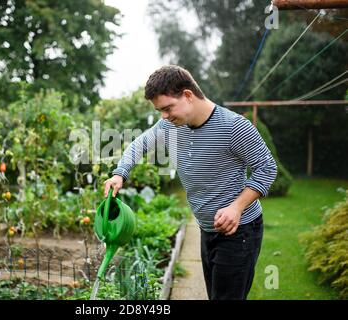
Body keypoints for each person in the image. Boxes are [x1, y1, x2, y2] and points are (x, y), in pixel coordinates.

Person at [103, 65, 277, 300]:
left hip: (239, 231)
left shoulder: (234, 127)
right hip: (207, 228)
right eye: (159, 111)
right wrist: (119, 173)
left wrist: (236, 207)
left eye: (167, 108)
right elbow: (140, 144)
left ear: (187, 95)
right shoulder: (170, 126)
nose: (163, 116)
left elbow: (267, 168)